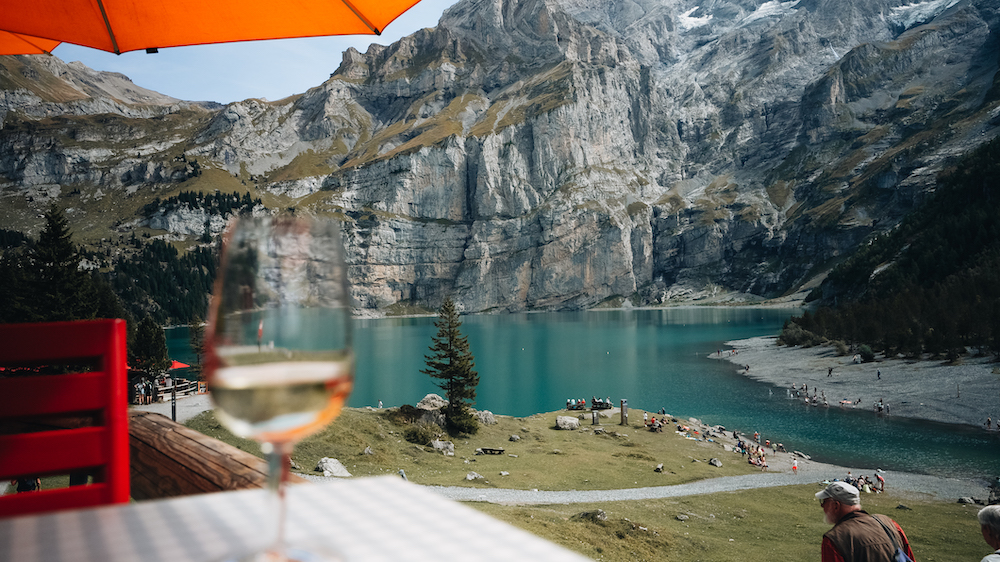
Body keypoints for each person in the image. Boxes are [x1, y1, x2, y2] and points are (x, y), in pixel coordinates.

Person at [816, 481, 915, 562]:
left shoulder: (834, 540)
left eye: (824, 502)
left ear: (836, 506)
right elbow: (909, 557)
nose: (822, 506)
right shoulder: (889, 523)